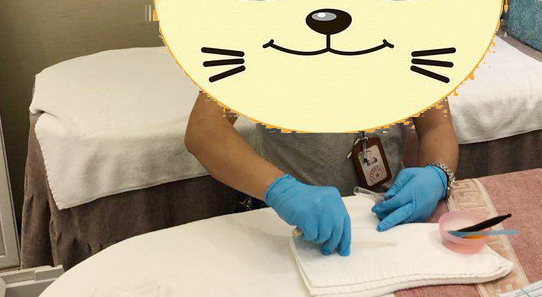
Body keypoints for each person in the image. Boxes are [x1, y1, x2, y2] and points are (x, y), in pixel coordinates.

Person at [185, 94, 458, 257]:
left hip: (389, 213)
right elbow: (204, 130)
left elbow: (436, 126)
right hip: (288, 222)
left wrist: (437, 173)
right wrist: (281, 189)